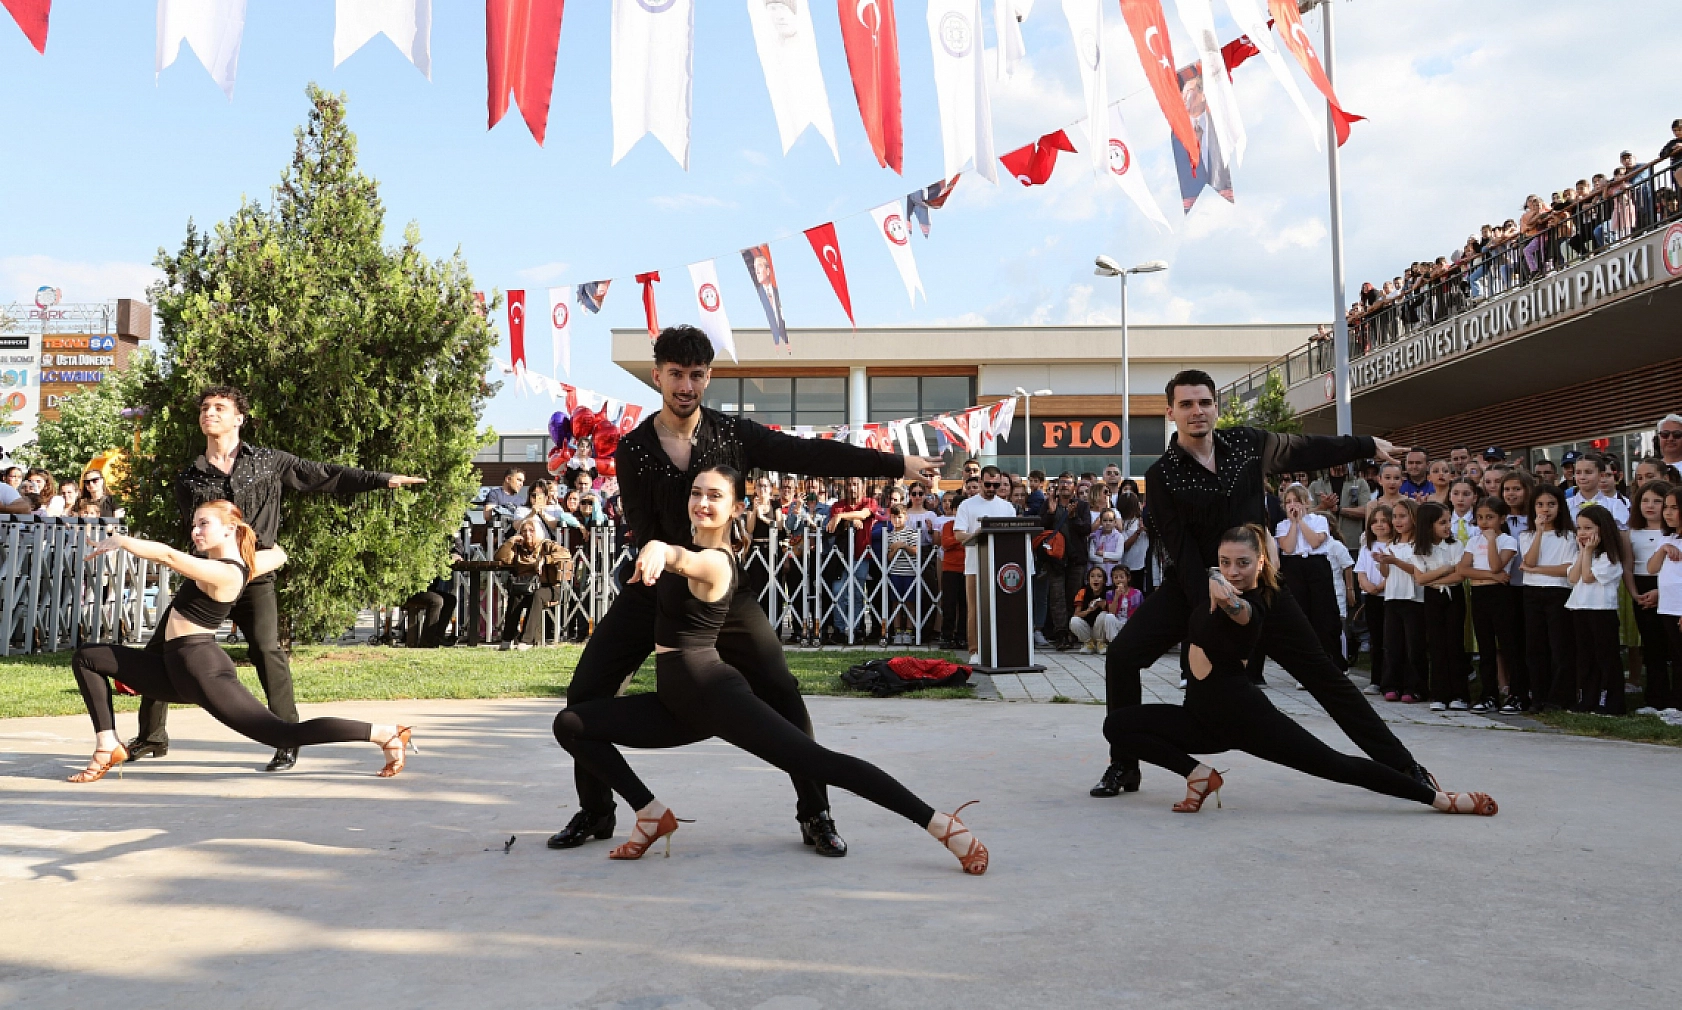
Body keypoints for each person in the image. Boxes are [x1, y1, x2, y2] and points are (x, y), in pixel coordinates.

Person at [548, 325, 942, 856]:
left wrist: (893, 463)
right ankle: (598, 811)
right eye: (675, 374)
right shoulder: (636, 448)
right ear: (657, 374)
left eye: (696, 375)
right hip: (655, 588)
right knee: (583, 696)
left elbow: (808, 455)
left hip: (723, 594)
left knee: (782, 692)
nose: (685, 385)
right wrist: (665, 563)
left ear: (707, 377)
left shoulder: (733, 434)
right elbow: (644, 531)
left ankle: (815, 813)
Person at [550, 466, 989, 873]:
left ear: (736, 507)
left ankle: (940, 825)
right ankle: (649, 812)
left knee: (821, 763)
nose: (703, 502)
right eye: (697, 493)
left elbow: (682, 561)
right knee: (572, 723)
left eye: (715, 496)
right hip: (675, 705)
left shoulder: (716, 561)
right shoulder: (692, 544)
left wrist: (660, 549)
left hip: (718, 698)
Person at [1094, 370, 1430, 799]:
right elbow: (1179, 546)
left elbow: (1304, 449)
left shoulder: (1247, 445)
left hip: (1261, 585)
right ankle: (1124, 765)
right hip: (1195, 588)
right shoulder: (1162, 474)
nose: (1197, 411)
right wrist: (1212, 595)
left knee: (1325, 676)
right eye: (1186, 404)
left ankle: (1403, 766)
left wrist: (1365, 444)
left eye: (1204, 402)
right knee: (1122, 656)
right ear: (1171, 412)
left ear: (1216, 406)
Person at [1102, 525, 1497, 817]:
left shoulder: (1252, 606)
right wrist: (1212, 579)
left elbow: (1241, 613)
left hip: (1248, 720)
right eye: (1225, 562)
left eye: (1243, 563)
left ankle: (1439, 799)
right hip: (1199, 719)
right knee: (1118, 726)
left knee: (1334, 765)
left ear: (1261, 562)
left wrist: (1225, 596)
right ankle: (1198, 774)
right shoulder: (1211, 586)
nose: (1234, 571)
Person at [130, 385, 425, 772]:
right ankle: (152, 737)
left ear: (239, 418)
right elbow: (196, 533)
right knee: (160, 652)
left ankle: (287, 738)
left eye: (220, 407)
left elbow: (324, 476)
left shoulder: (269, 462)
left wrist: (382, 479)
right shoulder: (191, 476)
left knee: (267, 652)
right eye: (205, 407)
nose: (210, 413)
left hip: (255, 575)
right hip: (210, 579)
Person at [68, 501, 414, 782]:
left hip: (202, 672)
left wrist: (123, 541)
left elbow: (170, 557)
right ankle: (106, 744)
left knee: (282, 734)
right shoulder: (244, 563)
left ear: (229, 529)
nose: (195, 531)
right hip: (171, 669)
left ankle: (384, 733)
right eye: (194, 524)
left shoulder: (227, 572)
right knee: (88, 657)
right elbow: (278, 555)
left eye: (203, 524)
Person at [1456, 497, 1522, 712]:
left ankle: (1517, 694)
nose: (1484, 522)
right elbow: (1463, 570)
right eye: (1481, 518)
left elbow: (1496, 566)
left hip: (1501, 596)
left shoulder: (1508, 542)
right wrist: (1492, 576)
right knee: (1485, 648)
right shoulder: (1473, 541)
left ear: (1502, 518)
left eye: (1490, 517)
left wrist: (1492, 541)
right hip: (1479, 594)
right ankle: (1489, 694)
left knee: (1509, 644)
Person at [1276, 484, 1345, 671]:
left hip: (1316, 565)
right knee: (1301, 614)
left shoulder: (1318, 520)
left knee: (1324, 614)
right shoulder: (1282, 526)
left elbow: (1315, 542)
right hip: (1294, 568)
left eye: (1296, 501)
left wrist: (1301, 522)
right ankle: (1306, 665)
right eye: (1288, 502)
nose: (1292, 505)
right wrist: (1292, 523)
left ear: (1306, 503)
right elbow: (1288, 548)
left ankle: (1334, 661)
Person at [1520, 486, 1577, 711]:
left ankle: (1560, 697)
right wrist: (1539, 532)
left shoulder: (1569, 536)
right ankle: (1539, 696)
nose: (1545, 510)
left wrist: (1535, 570)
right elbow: (1529, 560)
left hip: (1558, 592)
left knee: (1560, 646)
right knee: (1535, 648)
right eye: (1540, 505)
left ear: (1560, 507)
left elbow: (1566, 569)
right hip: (1532, 594)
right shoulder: (1527, 535)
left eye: (1551, 504)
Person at [954, 465, 1018, 666]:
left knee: (1001, 606)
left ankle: (1002, 646)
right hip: (975, 564)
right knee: (974, 608)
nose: (992, 488)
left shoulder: (1007, 507)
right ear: (980, 482)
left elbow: (1014, 535)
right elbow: (958, 534)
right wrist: (977, 535)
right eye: (988, 484)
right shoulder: (967, 505)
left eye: (996, 484)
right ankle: (974, 649)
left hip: (1001, 565)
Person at [1567, 504, 1626, 714]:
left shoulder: (1610, 558)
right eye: (1580, 528)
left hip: (1601, 610)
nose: (1582, 533)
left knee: (1606, 657)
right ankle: (1588, 699)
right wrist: (1584, 552)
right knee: (1586, 656)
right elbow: (1573, 578)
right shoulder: (1583, 554)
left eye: (1588, 528)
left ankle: (1613, 702)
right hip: (1580, 607)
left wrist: (1589, 552)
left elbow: (1588, 577)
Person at [1627, 481, 1674, 710]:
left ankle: (1676, 700)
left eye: (1657, 501)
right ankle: (1655, 699)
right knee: (1652, 646)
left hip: (1668, 589)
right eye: (1645, 500)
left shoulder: (1672, 534)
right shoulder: (1632, 533)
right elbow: (1628, 566)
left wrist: (1660, 591)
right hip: (1641, 589)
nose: (1650, 506)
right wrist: (1635, 594)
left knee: (1672, 647)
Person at [1378, 500, 1429, 703]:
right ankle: (1391, 684)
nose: (1397, 521)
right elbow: (1386, 573)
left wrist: (1396, 561)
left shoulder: (1420, 545)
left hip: (1414, 599)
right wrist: (1383, 562)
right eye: (1395, 517)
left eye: (1402, 516)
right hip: (1393, 597)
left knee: (1414, 646)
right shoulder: (1392, 544)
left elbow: (1418, 571)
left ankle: (1415, 686)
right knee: (1392, 644)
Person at [495, 516, 569, 649]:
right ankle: (507, 639)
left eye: (531, 530)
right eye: (524, 531)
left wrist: (546, 560)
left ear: (538, 533)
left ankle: (526, 640)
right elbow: (500, 557)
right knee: (515, 596)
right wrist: (510, 542)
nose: (527, 534)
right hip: (526, 588)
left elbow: (565, 554)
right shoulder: (518, 548)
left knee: (538, 595)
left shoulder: (546, 545)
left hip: (550, 588)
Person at [1646, 488, 1682, 708]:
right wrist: (1662, 550)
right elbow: (1652, 568)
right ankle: (1674, 703)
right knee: (1675, 657)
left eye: (1674, 508)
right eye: (1666, 507)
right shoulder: (1667, 538)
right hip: (1667, 607)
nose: (1667, 512)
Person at [1353, 505, 1394, 695]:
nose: (1379, 525)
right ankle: (1375, 679)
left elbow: (1394, 572)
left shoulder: (1394, 546)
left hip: (1389, 597)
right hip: (1371, 598)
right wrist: (1367, 586)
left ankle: (1391, 679)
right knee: (1375, 639)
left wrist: (1381, 587)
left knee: (1390, 639)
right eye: (1375, 521)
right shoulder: (1367, 547)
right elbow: (1360, 572)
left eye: (1384, 521)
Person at [938, 488, 969, 650]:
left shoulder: (970, 526)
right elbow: (946, 544)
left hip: (966, 568)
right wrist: (961, 538)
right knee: (949, 604)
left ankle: (962, 636)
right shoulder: (948, 525)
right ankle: (946, 635)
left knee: (965, 605)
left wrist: (959, 539)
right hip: (950, 569)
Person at [1068, 565, 1112, 654]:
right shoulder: (1082, 592)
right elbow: (1077, 614)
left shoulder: (1108, 593)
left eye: (1099, 576)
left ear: (1104, 581)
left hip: (1101, 629)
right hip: (1087, 627)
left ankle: (1101, 642)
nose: (1095, 579)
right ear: (1088, 580)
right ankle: (1088, 643)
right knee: (1074, 621)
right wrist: (1089, 610)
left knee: (1104, 615)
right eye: (1092, 576)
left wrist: (1105, 605)